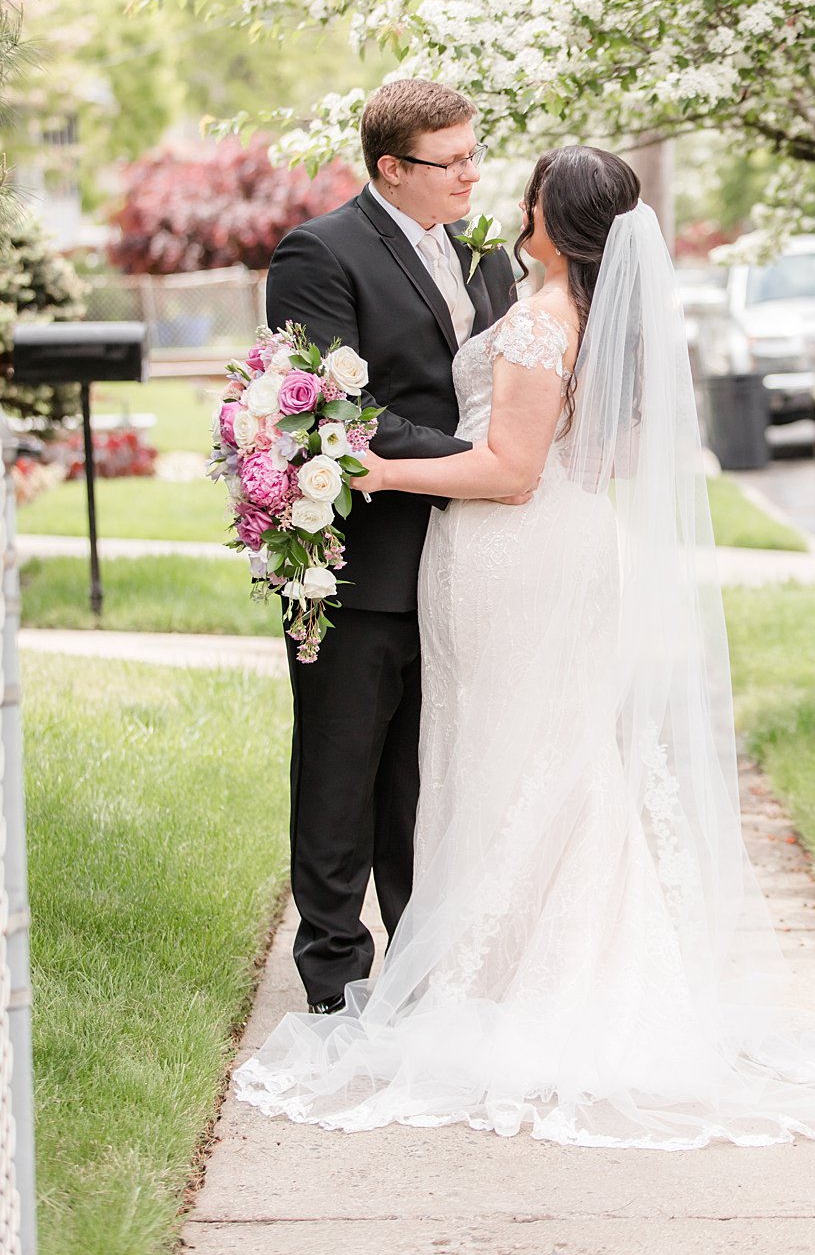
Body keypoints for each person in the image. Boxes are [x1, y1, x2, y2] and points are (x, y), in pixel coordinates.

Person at [236, 146, 815, 1149]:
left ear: (562, 217)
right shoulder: (580, 312)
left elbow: (508, 471)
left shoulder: (546, 317)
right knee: (544, 755)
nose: (513, 201)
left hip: (515, 554)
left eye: (531, 195)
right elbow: (600, 453)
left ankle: (526, 982)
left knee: (515, 757)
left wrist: (364, 467)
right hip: (561, 546)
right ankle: (529, 966)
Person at [264, 79, 515, 1014]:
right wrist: (483, 461)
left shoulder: (483, 258)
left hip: (465, 557)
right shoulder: (318, 253)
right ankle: (333, 970)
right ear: (391, 169)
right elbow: (339, 410)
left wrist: (502, 464)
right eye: (450, 162)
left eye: (472, 153)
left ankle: (418, 963)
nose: (471, 174)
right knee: (339, 774)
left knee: (425, 769)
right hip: (355, 564)